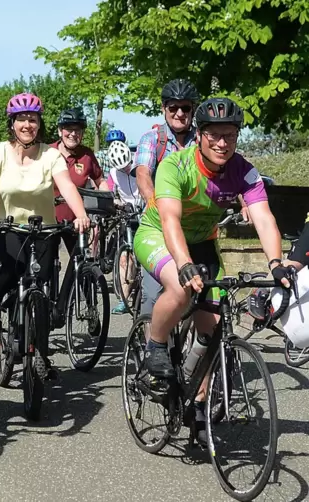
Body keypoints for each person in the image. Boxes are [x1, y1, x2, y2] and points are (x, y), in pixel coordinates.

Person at [133, 97, 291, 444]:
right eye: (214, 135)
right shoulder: (176, 165)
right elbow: (170, 219)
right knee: (179, 287)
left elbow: (264, 217)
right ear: (200, 135)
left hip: (204, 242)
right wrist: (184, 264)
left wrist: (277, 264)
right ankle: (155, 347)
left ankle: (199, 405)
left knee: (213, 329)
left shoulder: (243, 170)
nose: (223, 143)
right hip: (158, 234)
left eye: (231, 136)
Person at [0, 93, 90, 340]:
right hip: (7, 226)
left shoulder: (51, 156)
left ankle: (39, 350)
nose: (27, 124)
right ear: (11, 124)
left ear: (40, 124)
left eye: (33, 119)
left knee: (40, 281)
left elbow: (68, 186)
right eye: (21, 119)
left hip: (44, 229)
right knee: (12, 267)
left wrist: (81, 215)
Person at [134, 79, 200, 317]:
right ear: (164, 109)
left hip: (193, 226)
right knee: (154, 298)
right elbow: (142, 173)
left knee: (206, 297)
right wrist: (155, 201)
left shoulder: (204, 140)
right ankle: (152, 349)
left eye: (186, 108)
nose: (180, 113)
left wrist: (244, 204)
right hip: (158, 228)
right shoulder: (152, 139)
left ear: (193, 110)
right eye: (173, 108)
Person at [51, 108, 109, 255]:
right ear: (60, 131)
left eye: (78, 130)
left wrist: (109, 200)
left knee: (80, 261)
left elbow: (100, 180)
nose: (73, 134)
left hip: (76, 220)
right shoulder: (47, 152)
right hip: (49, 220)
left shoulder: (87, 155)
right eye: (68, 129)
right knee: (45, 265)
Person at [105, 140, 141, 315]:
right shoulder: (113, 173)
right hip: (127, 215)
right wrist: (117, 203)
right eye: (122, 168)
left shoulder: (140, 161)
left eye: (127, 165)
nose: (126, 169)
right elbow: (110, 194)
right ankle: (124, 300)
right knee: (125, 259)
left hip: (145, 211)